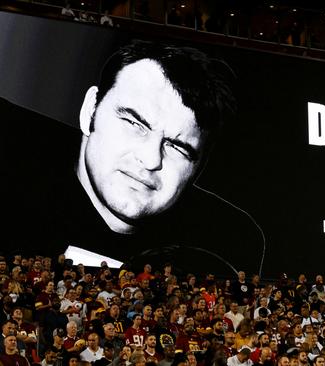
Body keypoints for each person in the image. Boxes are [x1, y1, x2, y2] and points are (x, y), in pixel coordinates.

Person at [2, 40, 265, 277]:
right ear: (89, 111)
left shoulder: (228, 243)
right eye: (134, 123)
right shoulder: (11, 178)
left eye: (177, 147)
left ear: (200, 166)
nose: (151, 160)